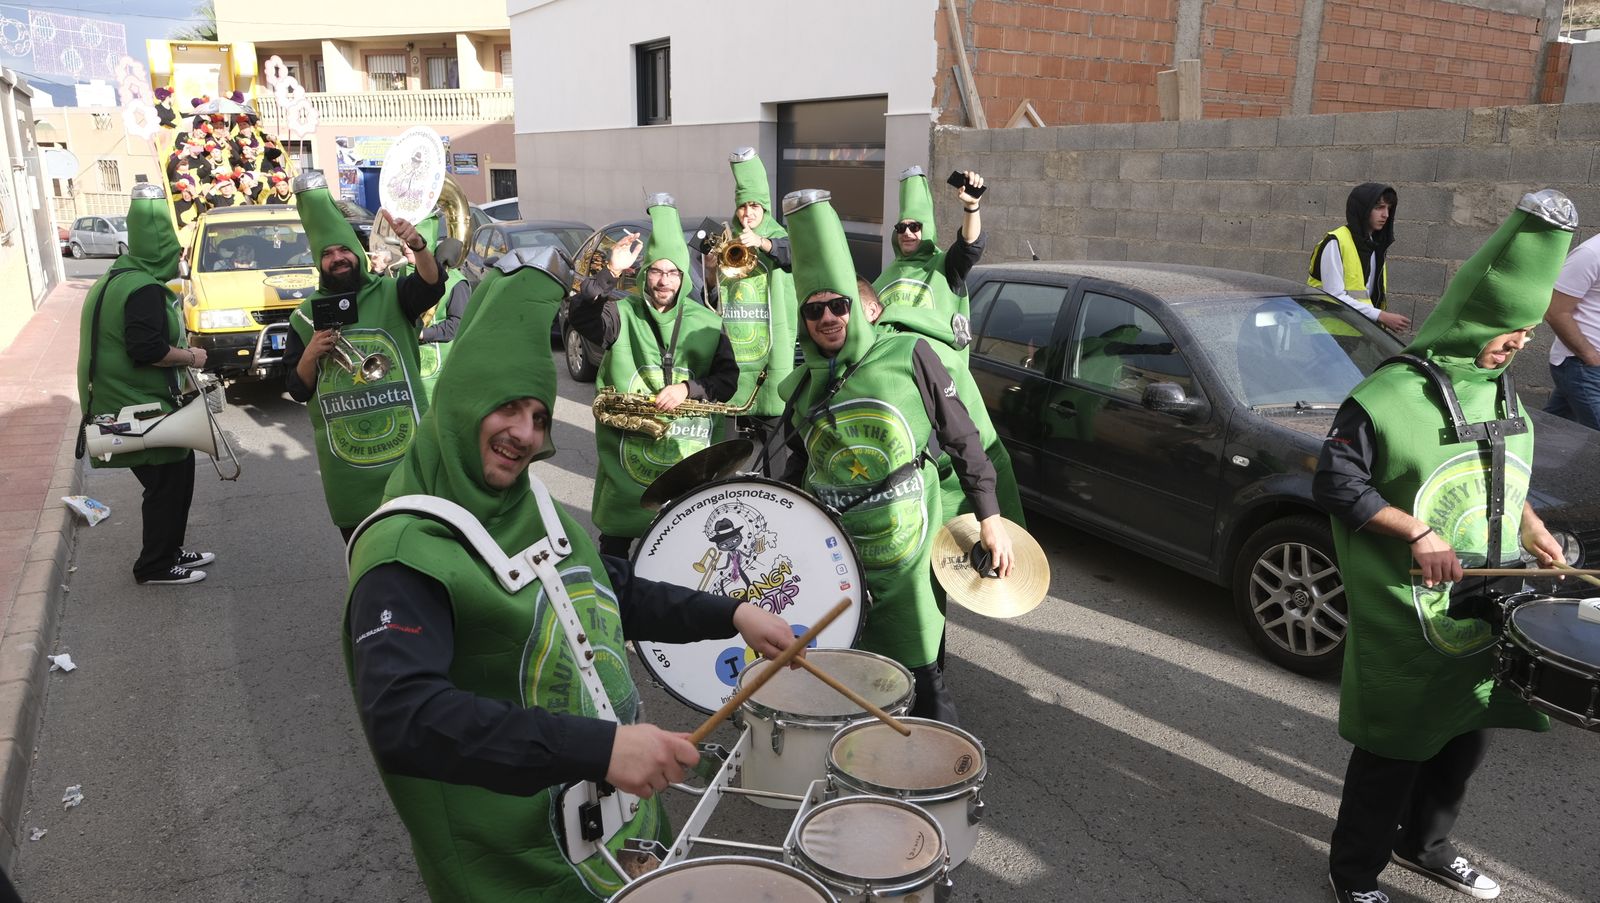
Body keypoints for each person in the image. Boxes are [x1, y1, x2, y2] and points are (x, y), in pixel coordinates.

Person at [343, 255, 799, 900]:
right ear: (463, 402)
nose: (525, 434)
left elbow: (609, 588)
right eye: (506, 408)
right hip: (515, 866)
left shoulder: (529, 503)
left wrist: (731, 614)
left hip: (617, 821)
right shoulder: (402, 552)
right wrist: (601, 748)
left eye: (539, 416)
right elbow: (406, 719)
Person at [1312, 190, 1575, 903]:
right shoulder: (1388, 394)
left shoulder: (1501, 393)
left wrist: (1531, 528)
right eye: (1507, 332)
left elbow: (1497, 478)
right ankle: (1354, 873)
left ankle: (1424, 845)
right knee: (1394, 747)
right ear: (1471, 320)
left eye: (1526, 334)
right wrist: (1418, 530)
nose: (1517, 345)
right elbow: (1335, 481)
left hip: (1483, 610)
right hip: (1411, 612)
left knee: (1465, 736)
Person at [778, 187, 1013, 724]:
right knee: (847, 683)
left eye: (838, 305)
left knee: (924, 684)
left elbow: (963, 438)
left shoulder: (910, 353)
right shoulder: (802, 388)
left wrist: (990, 518)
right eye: (814, 310)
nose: (828, 318)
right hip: (839, 561)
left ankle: (941, 773)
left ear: (856, 308)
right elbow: (793, 470)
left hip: (907, 555)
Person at [569, 194, 738, 557]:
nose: (664, 281)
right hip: (627, 464)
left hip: (686, 458)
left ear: (683, 277)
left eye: (673, 273)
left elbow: (728, 381)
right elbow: (580, 317)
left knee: (682, 553)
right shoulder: (621, 313)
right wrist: (611, 271)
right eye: (657, 271)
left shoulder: (708, 322)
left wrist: (688, 389)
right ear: (645, 273)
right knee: (614, 555)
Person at [283, 170, 444, 542]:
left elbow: (432, 285)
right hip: (349, 471)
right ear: (318, 263)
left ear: (357, 252)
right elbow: (297, 389)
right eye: (327, 254)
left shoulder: (391, 293)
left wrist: (419, 246)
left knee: (426, 549)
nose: (337, 258)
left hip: (408, 459)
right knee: (365, 558)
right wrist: (311, 354)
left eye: (343, 250)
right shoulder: (304, 317)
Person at [75, 183, 215, 585]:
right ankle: (154, 565)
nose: (177, 260)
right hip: (137, 405)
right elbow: (147, 349)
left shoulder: (116, 278)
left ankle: (169, 549)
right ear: (160, 251)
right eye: (173, 252)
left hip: (125, 400)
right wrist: (191, 357)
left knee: (176, 472)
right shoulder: (144, 289)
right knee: (166, 483)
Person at [718, 148, 797, 472]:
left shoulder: (780, 235)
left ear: (764, 206)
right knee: (725, 440)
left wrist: (763, 243)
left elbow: (794, 255)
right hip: (737, 347)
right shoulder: (729, 238)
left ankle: (775, 486)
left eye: (754, 206)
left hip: (771, 352)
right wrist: (710, 267)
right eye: (743, 206)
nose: (747, 213)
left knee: (774, 440)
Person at [872, 165, 985, 357]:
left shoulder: (946, 266)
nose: (907, 232)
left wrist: (972, 207)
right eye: (901, 228)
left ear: (927, 229)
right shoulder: (885, 276)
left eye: (914, 227)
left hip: (931, 369)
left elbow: (969, 246)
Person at [1310, 183, 1413, 332]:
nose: (1386, 214)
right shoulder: (1336, 241)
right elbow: (1335, 296)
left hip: (1358, 331)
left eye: (1388, 208)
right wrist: (1381, 316)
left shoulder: (1375, 247)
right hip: (1326, 334)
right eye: (1379, 207)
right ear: (1363, 209)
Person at [1542, 231, 1600, 429]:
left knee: (1553, 430)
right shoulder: (1591, 253)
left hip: (1588, 367)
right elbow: (1555, 312)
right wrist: (1590, 356)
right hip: (1583, 366)